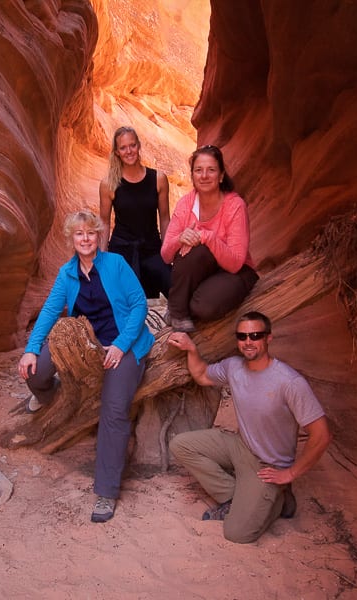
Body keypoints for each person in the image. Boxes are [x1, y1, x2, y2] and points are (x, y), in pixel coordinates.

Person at [17, 209, 154, 523]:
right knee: (34, 370)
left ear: (99, 236)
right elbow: (50, 312)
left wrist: (121, 345)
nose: (86, 238)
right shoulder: (67, 273)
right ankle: (48, 395)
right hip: (87, 344)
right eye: (79, 234)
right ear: (72, 239)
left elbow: (139, 304)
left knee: (114, 409)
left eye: (91, 232)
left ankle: (106, 491)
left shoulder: (116, 264)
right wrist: (30, 350)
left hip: (125, 344)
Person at [166, 311, 332, 543]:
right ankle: (237, 496)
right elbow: (202, 375)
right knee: (181, 445)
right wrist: (191, 349)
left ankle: (279, 499)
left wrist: (290, 473)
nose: (248, 342)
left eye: (255, 335)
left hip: (268, 465)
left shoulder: (289, 382)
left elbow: (321, 435)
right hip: (241, 446)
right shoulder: (234, 367)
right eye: (242, 336)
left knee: (237, 533)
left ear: (268, 338)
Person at [160, 145, 259, 333]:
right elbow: (166, 255)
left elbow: (235, 263)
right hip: (206, 272)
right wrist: (180, 238)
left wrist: (205, 236)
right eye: (198, 170)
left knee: (203, 307)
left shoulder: (235, 206)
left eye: (211, 170)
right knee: (189, 253)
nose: (204, 175)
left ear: (221, 176)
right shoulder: (186, 204)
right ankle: (178, 314)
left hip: (235, 272)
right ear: (192, 176)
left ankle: (179, 308)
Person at [99, 126, 171, 300]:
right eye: (123, 147)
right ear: (116, 152)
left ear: (139, 146)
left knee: (175, 288)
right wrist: (101, 259)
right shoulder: (109, 183)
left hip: (152, 248)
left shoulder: (158, 179)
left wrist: (168, 252)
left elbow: (164, 218)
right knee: (126, 301)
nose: (129, 151)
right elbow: (104, 222)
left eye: (132, 145)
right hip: (122, 251)